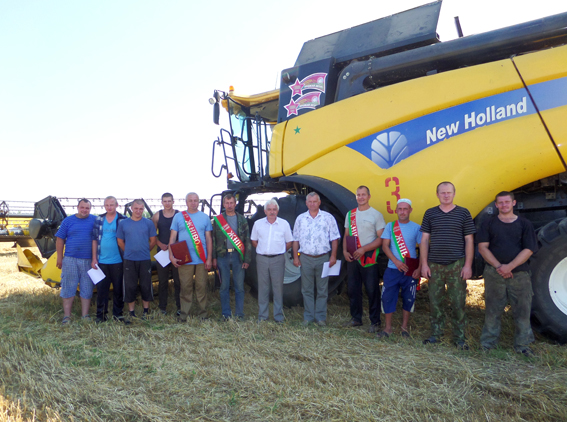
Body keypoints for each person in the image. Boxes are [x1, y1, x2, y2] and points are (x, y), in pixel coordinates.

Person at [477, 191, 538, 356]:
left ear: (513, 203)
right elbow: (482, 247)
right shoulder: (488, 224)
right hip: (494, 274)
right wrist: (499, 267)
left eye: (507, 202)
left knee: (522, 311)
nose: (504, 205)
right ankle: (488, 345)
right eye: (500, 203)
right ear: (496, 205)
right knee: (492, 310)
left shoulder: (525, 224)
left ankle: (523, 346)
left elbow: (529, 249)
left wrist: (509, 267)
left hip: (520, 275)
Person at [420, 181, 476, 349]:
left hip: (456, 265)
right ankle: (436, 334)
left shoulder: (463, 213)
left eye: (449, 192)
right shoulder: (430, 213)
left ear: (454, 194)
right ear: (437, 194)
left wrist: (467, 265)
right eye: (442, 193)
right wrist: (424, 264)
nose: (446, 195)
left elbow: (469, 241)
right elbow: (424, 240)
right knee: (435, 303)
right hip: (435, 265)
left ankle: (459, 338)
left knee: (458, 303)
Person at [292, 192, 340, 326]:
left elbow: (335, 238)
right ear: (306, 203)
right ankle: (308, 317)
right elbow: (295, 239)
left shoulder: (328, 217)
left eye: (315, 201)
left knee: (322, 290)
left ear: (319, 203)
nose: (312, 204)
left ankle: (320, 318)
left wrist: (333, 256)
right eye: (310, 201)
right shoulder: (300, 219)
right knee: (306, 289)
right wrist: (296, 257)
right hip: (306, 258)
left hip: (323, 258)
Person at [343, 186, 385, 332]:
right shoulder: (350, 214)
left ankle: (375, 321)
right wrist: (344, 251)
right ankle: (356, 318)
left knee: (372, 289)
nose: (361, 197)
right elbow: (347, 235)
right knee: (353, 290)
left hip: (369, 257)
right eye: (358, 195)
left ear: (369, 196)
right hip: (353, 257)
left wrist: (364, 249)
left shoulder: (376, 215)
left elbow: (381, 239)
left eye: (363, 195)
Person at [378, 198, 421, 338]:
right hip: (392, 269)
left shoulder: (417, 228)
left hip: (410, 271)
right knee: (387, 297)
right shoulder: (390, 226)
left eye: (405, 209)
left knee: (409, 298)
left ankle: (404, 328)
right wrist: (396, 262)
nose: (402, 212)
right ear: (396, 210)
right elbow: (385, 246)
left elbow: (423, 249)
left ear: (410, 210)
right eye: (400, 209)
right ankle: (388, 328)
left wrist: (419, 268)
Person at [169, 192, 213, 321]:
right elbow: (172, 237)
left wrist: (209, 258)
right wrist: (171, 256)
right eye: (190, 200)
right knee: (185, 287)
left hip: (201, 259)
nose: (193, 203)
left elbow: (209, 239)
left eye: (195, 200)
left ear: (198, 202)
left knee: (201, 287)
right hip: (185, 259)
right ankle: (184, 314)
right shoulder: (178, 217)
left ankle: (203, 314)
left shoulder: (205, 217)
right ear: (186, 202)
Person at [250, 199, 293, 323]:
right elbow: (254, 241)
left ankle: (278, 316)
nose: (272, 212)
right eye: (269, 209)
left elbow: (289, 242)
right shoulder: (258, 224)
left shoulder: (284, 224)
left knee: (278, 288)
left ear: (278, 211)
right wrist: (263, 250)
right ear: (265, 211)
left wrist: (279, 250)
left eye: (274, 209)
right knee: (263, 288)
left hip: (278, 259)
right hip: (262, 259)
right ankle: (263, 316)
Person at [56, 198, 97, 325]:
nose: (84, 210)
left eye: (87, 208)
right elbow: (60, 239)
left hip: (88, 260)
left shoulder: (95, 220)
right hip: (70, 259)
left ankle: (85, 315)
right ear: (77, 207)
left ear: (90, 209)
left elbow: (97, 239)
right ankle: (67, 316)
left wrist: (95, 258)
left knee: (87, 287)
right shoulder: (68, 221)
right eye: (82, 207)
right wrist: (59, 257)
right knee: (69, 286)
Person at [212, 194, 252, 320]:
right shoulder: (217, 221)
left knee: (239, 286)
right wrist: (214, 258)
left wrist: (247, 259)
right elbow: (213, 240)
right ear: (223, 205)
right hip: (222, 256)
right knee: (224, 287)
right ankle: (226, 314)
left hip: (237, 256)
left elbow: (247, 240)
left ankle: (239, 314)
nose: (229, 205)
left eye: (231, 203)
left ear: (235, 204)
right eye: (227, 203)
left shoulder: (242, 219)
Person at [116, 199, 157, 320]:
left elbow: (153, 241)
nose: (138, 211)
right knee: (130, 285)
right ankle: (132, 312)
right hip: (129, 259)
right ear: (132, 209)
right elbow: (120, 241)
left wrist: (144, 250)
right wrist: (129, 251)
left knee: (145, 285)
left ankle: (145, 311)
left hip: (144, 259)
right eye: (136, 208)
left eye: (141, 209)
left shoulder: (148, 223)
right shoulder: (123, 223)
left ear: (143, 209)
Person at [91, 196, 129, 324]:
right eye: (107, 205)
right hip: (102, 261)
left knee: (118, 289)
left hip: (118, 260)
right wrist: (94, 258)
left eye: (111, 205)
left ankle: (118, 314)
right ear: (104, 206)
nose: (109, 207)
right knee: (102, 289)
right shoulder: (99, 219)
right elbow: (95, 239)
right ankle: (101, 315)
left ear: (117, 205)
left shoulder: (123, 219)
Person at [151, 192, 181, 315]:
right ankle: (162, 308)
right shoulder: (157, 216)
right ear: (162, 202)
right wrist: (159, 244)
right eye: (165, 201)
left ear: (173, 202)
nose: (167, 203)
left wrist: (176, 244)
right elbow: (152, 234)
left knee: (178, 281)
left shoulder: (179, 215)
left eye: (169, 201)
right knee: (162, 281)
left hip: (176, 251)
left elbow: (184, 232)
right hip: (162, 251)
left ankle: (180, 307)